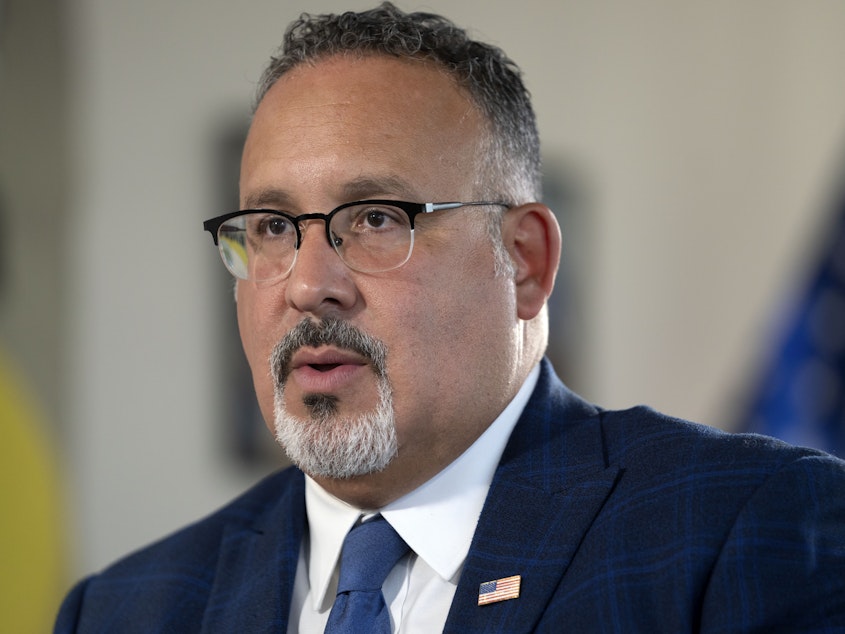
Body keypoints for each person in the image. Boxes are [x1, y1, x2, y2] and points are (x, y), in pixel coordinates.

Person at [55, 3, 845, 632]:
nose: (306, 285)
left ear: (524, 261)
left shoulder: (746, 529)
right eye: (270, 228)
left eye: (373, 219)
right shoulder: (124, 610)